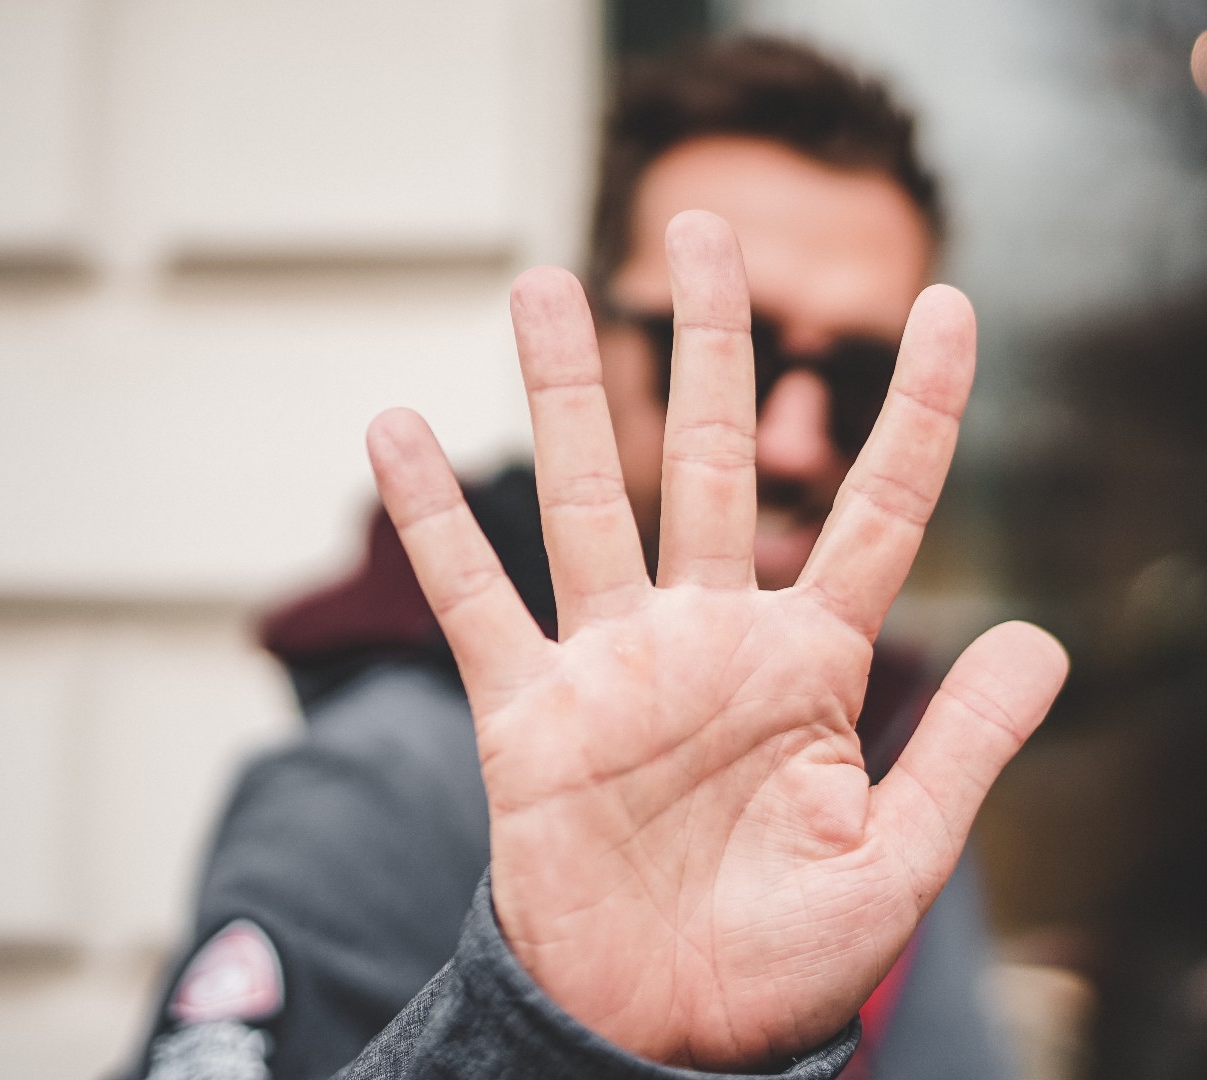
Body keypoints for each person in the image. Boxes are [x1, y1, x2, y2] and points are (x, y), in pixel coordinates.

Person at [127, 39, 1064, 1080]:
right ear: (598, 332)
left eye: (856, 376)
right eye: (726, 349)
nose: (796, 441)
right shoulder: (375, 788)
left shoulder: (883, 751)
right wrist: (542, 1042)